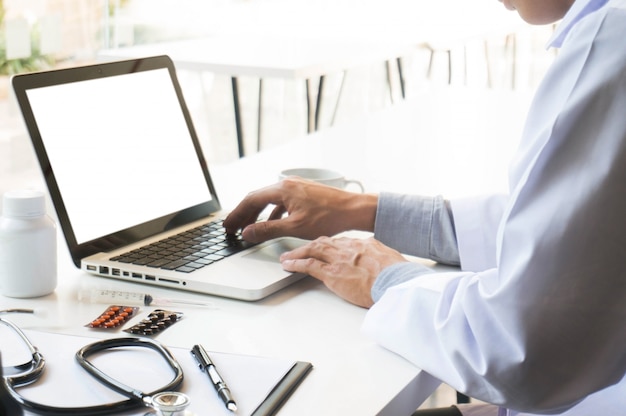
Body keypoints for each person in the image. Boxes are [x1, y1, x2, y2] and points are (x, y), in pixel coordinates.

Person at [223, 0, 626, 414]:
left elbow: (523, 352)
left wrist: (388, 280)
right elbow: (579, 232)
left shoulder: (615, 38)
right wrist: (366, 210)